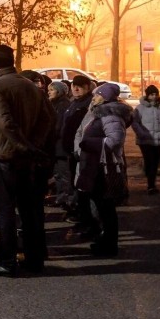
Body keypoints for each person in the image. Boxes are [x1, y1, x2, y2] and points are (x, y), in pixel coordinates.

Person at [0, 44, 55, 276]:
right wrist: (34, 145)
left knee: (6, 210)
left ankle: (7, 261)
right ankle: (34, 259)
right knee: (30, 208)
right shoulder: (31, 86)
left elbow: (4, 122)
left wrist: (24, 146)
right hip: (27, 157)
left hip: (5, 156)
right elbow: (48, 119)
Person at [75, 83, 133, 257]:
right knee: (101, 206)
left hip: (103, 166)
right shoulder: (98, 111)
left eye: (97, 94)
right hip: (94, 163)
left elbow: (115, 139)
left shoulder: (110, 114)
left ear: (105, 97)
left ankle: (109, 245)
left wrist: (89, 145)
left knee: (106, 207)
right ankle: (105, 240)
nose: (93, 97)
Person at [60, 76, 96, 229]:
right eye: (74, 86)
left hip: (81, 151)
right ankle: (81, 213)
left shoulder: (89, 104)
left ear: (88, 87)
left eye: (80, 86)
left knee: (83, 185)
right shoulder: (74, 103)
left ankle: (87, 218)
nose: (76, 89)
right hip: (72, 150)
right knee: (76, 184)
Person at [132, 85, 160, 195]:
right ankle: (150, 183)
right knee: (150, 161)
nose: (154, 96)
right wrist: (142, 134)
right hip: (145, 140)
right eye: (151, 94)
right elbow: (135, 122)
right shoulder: (140, 108)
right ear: (147, 95)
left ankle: (151, 185)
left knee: (154, 162)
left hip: (158, 139)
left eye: (156, 94)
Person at [47, 82, 73, 208]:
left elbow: (57, 125)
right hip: (57, 144)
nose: (49, 92)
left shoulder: (62, 105)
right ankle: (61, 196)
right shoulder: (55, 104)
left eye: (52, 90)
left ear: (59, 91)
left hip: (60, 145)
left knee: (62, 173)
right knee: (58, 173)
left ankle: (65, 198)